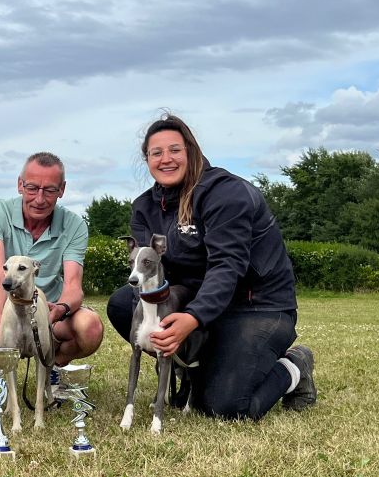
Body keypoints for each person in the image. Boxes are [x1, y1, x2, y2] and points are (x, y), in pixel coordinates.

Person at [106, 113, 317, 421]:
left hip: (256, 306)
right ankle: (189, 367)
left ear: (191, 151)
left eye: (175, 150)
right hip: (197, 303)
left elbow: (227, 266)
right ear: (147, 160)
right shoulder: (144, 207)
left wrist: (192, 318)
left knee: (226, 406)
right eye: (156, 153)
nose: (166, 159)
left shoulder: (227, 193)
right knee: (125, 303)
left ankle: (294, 366)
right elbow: (152, 273)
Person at [0, 152, 104, 408]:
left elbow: (73, 286)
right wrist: (0, 316)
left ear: (62, 190)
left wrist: (59, 310)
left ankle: (52, 369)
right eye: (32, 188)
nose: (39, 199)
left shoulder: (74, 225)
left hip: (48, 320)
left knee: (90, 326)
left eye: (49, 190)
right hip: (5, 313)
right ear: (19, 184)